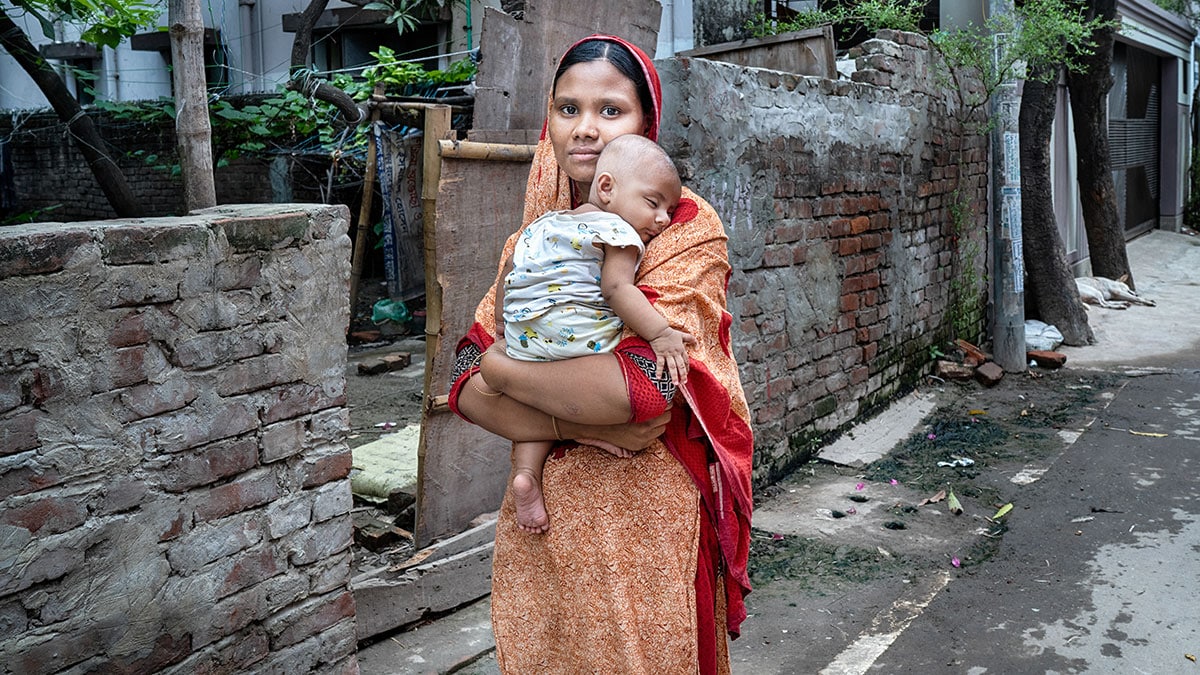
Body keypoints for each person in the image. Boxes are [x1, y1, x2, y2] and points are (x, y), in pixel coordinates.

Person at [448, 34, 754, 674]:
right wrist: (562, 415)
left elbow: (644, 396)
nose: (584, 130)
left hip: (645, 525)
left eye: (611, 110)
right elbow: (462, 384)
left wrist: (507, 373)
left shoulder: (678, 228)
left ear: (647, 123)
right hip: (544, 525)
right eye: (568, 109)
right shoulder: (533, 240)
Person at [482, 133, 695, 534]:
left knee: (539, 400)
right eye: (653, 203)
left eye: (669, 209)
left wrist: (502, 329)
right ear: (607, 187)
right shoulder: (619, 233)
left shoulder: (543, 224)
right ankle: (596, 431)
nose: (664, 219)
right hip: (580, 340)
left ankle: (526, 474)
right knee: (624, 372)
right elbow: (616, 290)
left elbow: (511, 271)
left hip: (524, 339)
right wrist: (661, 333)